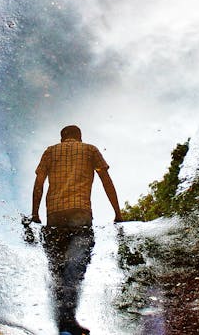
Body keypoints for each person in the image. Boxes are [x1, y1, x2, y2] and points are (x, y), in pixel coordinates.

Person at [32, 125, 122, 335]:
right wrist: (117, 213)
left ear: (62, 138)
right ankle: (67, 321)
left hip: (54, 216)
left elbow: (39, 182)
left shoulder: (50, 151)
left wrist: (34, 213)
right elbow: (106, 180)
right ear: (79, 137)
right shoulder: (90, 149)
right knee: (76, 266)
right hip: (80, 214)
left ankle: (62, 323)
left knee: (56, 269)